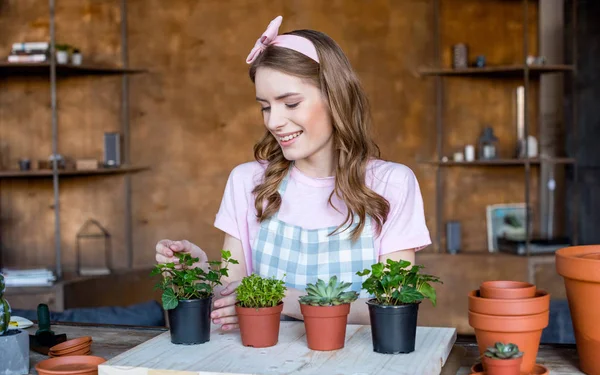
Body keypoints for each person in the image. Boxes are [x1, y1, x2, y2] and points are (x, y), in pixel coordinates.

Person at [155, 15, 431, 331]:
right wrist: (198, 269)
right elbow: (232, 299)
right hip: (263, 364)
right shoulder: (248, 182)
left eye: (290, 103)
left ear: (335, 97)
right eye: (265, 106)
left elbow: (393, 307)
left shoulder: (392, 184)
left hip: (357, 370)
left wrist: (280, 298)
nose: (273, 122)